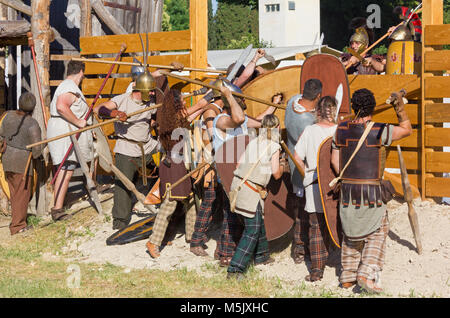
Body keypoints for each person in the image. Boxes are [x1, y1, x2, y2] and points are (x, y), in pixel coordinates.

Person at [331, 88, 412, 293]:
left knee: (351, 233)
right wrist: (400, 109)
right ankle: (365, 274)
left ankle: (347, 277)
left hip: (348, 192)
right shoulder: (379, 130)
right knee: (378, 231)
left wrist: (351, 179)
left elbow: (334, 161)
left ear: (354, 107)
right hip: (371, 195)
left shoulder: (340, 129)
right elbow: (406, 129)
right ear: (372, 107)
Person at [94, 63, 180, 230]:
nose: (154, 93)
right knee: (123, 186)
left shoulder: (149, 103)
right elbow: (100, 109)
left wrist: (155, 123)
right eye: (151, 91)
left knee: (161, 171)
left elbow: (152, 117)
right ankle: (120, 221)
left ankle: (162, 207)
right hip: (127, 149)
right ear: (140, 90)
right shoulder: (122, 100)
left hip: (147, 146)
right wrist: (115, 114)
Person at [212, 80, 277, 267]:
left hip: (247, 173)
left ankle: (262, 254)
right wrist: (230, 96)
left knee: (254, 212)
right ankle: (226, 254)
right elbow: (239, 119)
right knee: (232, 214)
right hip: (230, 173)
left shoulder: (240, 117)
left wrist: (274, 103)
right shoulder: (221, 120)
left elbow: (261, 122)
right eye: (237, 100)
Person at [226, 114, 287, 279]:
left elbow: (239, 164)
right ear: (275, 128)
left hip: (239, 185)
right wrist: (282, 165)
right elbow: (275, 174)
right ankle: (235, 269)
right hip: (250, 190)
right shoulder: (274, 146)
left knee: (257, 220)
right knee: (252, 230)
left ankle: (262, 256)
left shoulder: (254, 142)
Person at [145, 88, 199, 258]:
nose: (184, 102)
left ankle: (191, 236)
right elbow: (200, 106)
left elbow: (197, 110)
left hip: (178, 163)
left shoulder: (172, 119)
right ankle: (153, 241)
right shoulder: (175, 119)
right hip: (173, 165)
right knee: (169, 203)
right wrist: (211, 96)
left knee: (189, 199)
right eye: (182, 100)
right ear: (176, 103)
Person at [294, 96, 338, 281]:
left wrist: (307, 176)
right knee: (334, 222)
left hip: (314, 183)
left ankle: (317, 270)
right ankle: (337, 262)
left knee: (316, 226)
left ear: (318, 111)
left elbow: (297, 157)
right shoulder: (339, 130)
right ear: (333, 110)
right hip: (334, 184)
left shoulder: (310, 130)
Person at [47, 60, 92, 221]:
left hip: (66, 130)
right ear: (81, 72)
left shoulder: (67, 86)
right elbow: (61, 106)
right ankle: (57, 209)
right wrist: (78, 122)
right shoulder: (68, 87)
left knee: (66, 168)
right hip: (64, 132)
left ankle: (58, 206)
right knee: (66, 169)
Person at [284, 78, 322, 264]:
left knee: (300, 208)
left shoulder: (292, 101)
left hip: (294, 164)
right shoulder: (308, 122)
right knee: (305, 211)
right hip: (305, 169)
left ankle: (299, 248)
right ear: (318, 96)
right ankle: (300, 248)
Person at [0, 92, 43, 235]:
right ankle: (18, 226)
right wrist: (43, 146)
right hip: (21, 163)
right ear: (33, 107)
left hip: (6, 159)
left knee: (14, 193)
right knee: (21, 194)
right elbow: (36, 151)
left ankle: (16, 221)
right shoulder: (32, 124)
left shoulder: (7, 115)